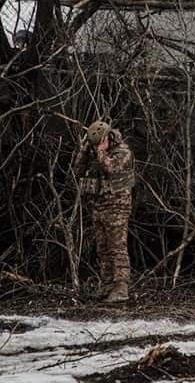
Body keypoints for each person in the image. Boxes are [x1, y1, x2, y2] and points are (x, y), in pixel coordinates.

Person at [77, 119, 136, 302]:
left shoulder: (123, 152)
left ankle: (121, 288)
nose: (96, 149)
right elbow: (77, 171)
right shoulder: (95, 153)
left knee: (117, 248)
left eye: (99, 144)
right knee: (103, 249)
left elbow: (112, 168)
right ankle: (108, 284)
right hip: (99, 205)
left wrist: (101, 152)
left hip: (117, 206)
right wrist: (84, 151)